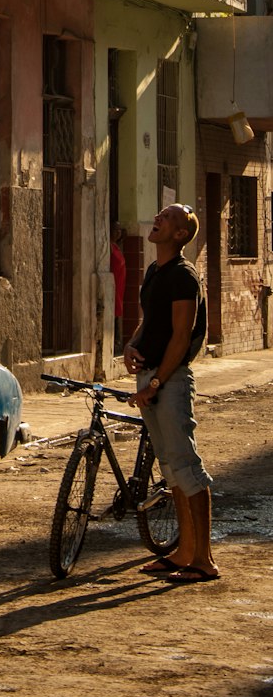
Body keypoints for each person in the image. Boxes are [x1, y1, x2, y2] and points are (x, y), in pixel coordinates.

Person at [124, 205, 218, 584]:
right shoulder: (154, 272)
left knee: (188, 468)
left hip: (171, 381)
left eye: (168, 217)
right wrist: (131, 344)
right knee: (171, 471)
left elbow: (182, 336)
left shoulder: (184, 276)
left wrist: (157, 383)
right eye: (159, 213)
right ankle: (184, 552)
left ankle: (205, 560)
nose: (157, 218)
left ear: (180, 235)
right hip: (149, 377)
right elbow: (150, 321)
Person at [109, 222, 126, 357]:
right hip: (112, 286)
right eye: (115, 230)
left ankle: (117, 342)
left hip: (119, 285)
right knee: (113, 311)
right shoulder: (108, 247)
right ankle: (114, 342)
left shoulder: (116, 246)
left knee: (117, 310)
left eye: (119, 230)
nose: (118, 233)